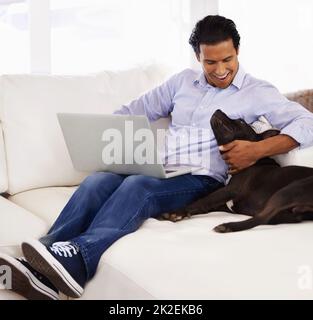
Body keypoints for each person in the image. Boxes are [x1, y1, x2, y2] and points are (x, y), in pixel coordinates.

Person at [1, 15, 313, 300]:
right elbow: (131, 112)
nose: (220, 70)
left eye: (227, 60)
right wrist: (110, 135)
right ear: (198, 57)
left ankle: (80, 258)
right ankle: (46, 253)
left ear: (238, 51)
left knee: (139, 186)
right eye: (211, 62)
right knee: (98, 181)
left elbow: (307, 124)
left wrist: (258, 149)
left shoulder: (258, 92)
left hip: (201, 178)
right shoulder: (181, 83)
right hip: (159, 166)